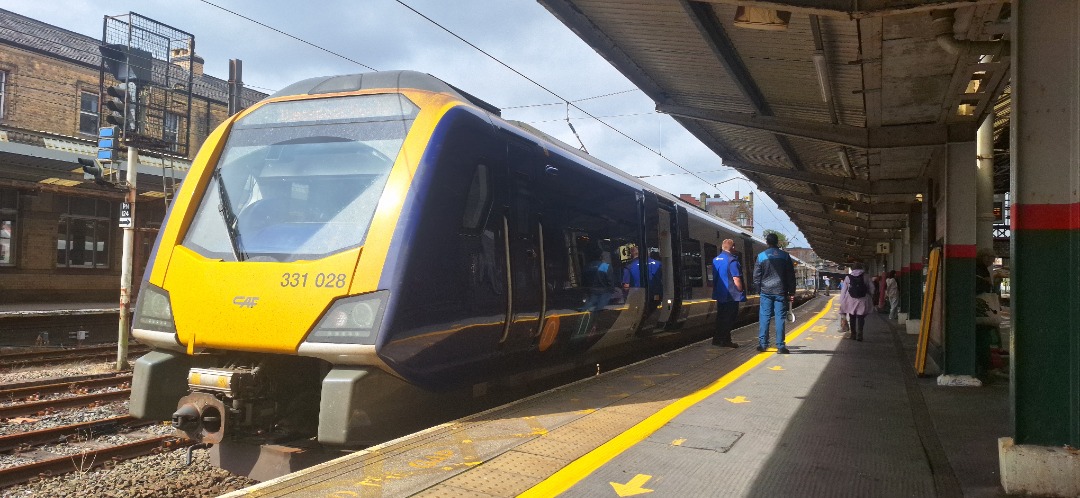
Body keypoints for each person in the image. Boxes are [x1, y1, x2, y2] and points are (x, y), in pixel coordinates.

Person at [753, 233, 797, 353]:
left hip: (766, 291)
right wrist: (791, 291)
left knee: (764, 318)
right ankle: (780, 346)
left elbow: (756, 276)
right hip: (780, 292)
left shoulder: (761, 256)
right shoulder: (785, 256)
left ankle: (763, 345)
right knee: (780, 318)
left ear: (767, 242)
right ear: (777, 242)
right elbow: (790, 276)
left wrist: (758, 289)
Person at [711, 239, 745, 348]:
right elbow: (736, 278)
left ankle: (717, 339)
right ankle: (723, 340)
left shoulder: (715, 260)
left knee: (721, 317)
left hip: (719, 292)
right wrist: (740, 289)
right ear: (733, 247)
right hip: (731, 294)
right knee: (730, 318)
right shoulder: (732, 260)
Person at [840, 262, 873, 341]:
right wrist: (870, 296)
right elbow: (872, 288)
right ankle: (860, 334)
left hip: (851, 300)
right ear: (861, 268)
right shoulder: (866, 276)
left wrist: (841, 302)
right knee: (861, 317)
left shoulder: (848, 277)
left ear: (853, 269)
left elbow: (843, 291)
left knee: (852, 317)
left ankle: (853, 334)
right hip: (863, 299)